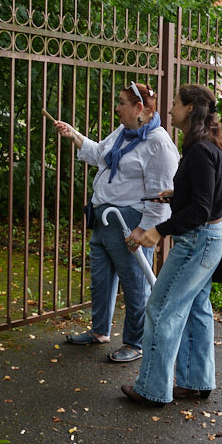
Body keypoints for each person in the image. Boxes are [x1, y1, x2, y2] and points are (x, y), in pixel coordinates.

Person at [54, 81, 178, 363]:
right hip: (103, 218)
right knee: (100, 278)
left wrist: (145, 230)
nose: (117, 108)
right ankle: (100, 331)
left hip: (130, 221)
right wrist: (73, 134)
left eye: (122, 103)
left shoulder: (158, 143)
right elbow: (100, 154)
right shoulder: (125, 132)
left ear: (139, 109)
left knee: (135, 284)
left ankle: (135, 343)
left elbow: (161, 195)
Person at [121, 84, 222, 406]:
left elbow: (200, 210)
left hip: (196, 243)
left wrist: (159, 231)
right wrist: (175, 195)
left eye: (175, 105)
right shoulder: (209, 147)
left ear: (191, 108)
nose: (170, 111)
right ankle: (196, 382)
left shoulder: (198, 151)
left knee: (161, 308)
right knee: (196, 310)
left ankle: (152, 389)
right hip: (210, 239)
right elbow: (204, 201)